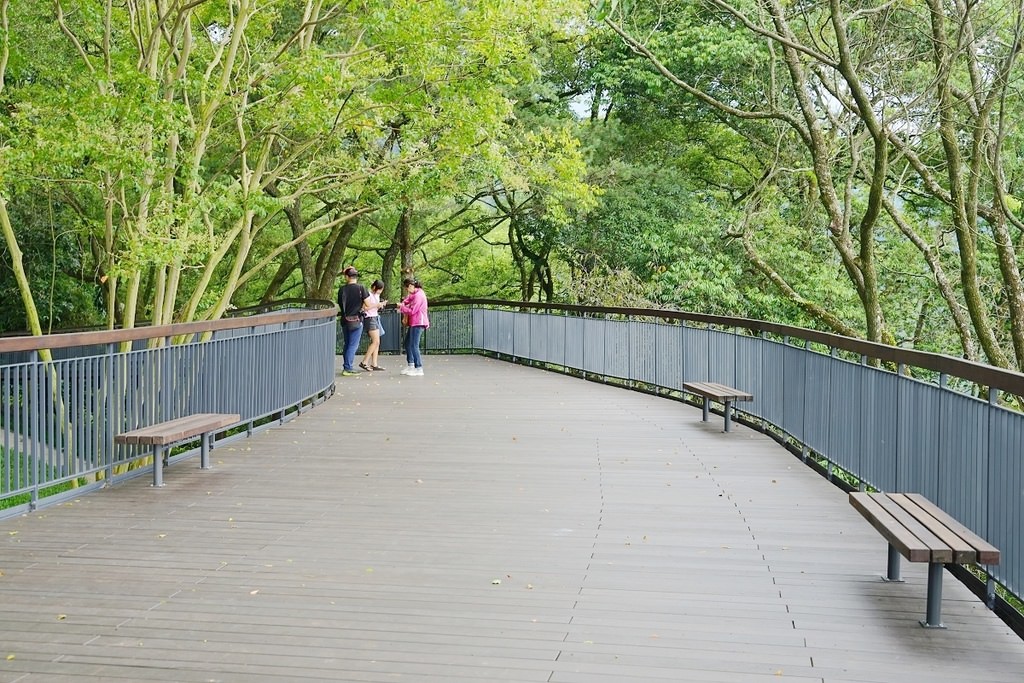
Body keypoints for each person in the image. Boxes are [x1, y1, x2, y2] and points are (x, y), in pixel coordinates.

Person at [337, 266, 371, 376]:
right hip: (356, 320)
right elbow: (368, 304)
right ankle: (348, 368)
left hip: (345, 320)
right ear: (356, 276)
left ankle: (346, 366)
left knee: (347, 344)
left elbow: (340, 304)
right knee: (353, 345)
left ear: (347, 277)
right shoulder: (361, 288)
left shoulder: (342, 289)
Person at [396, 278, 429, 376]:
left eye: (407, 288)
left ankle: (419, 368)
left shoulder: (419, 295)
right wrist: (403, 303)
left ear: (410, 286)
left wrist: (402, 307)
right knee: (407, 343)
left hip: (419, 322)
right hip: (414, 322)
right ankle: (411, 364)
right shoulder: (415, 293)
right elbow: (408, 299)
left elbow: (412, 311)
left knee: (414, 345)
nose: (407, 290)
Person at [359, 280, 387, 372]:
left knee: (377, 341)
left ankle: (374, 363)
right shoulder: (368, 295)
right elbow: (365, 308)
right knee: (375, 341)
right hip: (369, 318)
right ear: (375, 288)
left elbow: (375, 307)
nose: (380, 292)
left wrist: (380, 305)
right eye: (379, 289)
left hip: (375, 317)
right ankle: (364, 362)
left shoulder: (377, 295)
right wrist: (376, 305)